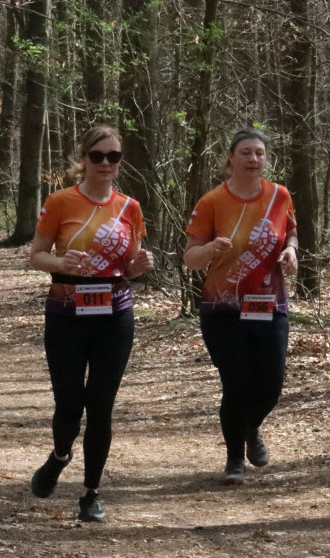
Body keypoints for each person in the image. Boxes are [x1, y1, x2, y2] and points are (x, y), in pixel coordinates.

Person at [28, 125, 154, 522]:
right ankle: (60, 455)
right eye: (97, 156)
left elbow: (131, 264)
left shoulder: (129, 207)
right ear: (82, 159)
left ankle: (90, 493)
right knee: (69, 404)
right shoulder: (61, 201)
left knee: (101, 406)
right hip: (66, 311)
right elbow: (36, 255)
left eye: (113, 157)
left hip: (114, 313)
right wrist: (61, 263)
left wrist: (141, 266)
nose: (104, 164)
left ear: (120, 163)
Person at [183, 128, 298, 486]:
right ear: (231, 158)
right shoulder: (212, 201)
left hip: (270, 305)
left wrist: (291, 250)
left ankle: (250, 427)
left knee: (271, 385)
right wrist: (211, 249)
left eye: (260, 153)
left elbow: (291, 232)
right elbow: (190, 258)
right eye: (246, 153)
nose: (253, 160)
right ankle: (234, 459)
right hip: (223, 308)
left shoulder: (279, 196)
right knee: (236, 383)